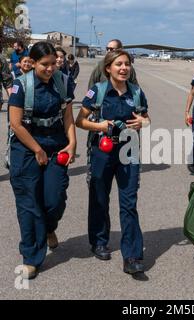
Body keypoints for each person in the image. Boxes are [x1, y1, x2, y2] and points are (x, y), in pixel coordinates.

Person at [76, 49, 150, 275]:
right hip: (102, 150)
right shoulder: (97, 92)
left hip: (129, 150)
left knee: (129, 203)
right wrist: (102, 126)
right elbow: (81, 121)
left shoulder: (136, 92)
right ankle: (99, 241)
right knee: (99, 197)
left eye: (127, 64)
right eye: (119, 64)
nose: (124, 68)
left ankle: (132, 256)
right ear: (108, 68)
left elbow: (146, 118)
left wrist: (142, 122)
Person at [8, 41, 76, 279]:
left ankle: (49, 228)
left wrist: (72, 141)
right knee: (28, 204)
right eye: (44, 65)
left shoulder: (62, 82)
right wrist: (37, 149)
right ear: (33, 63)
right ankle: (31, 257)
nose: (50, 69)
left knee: (54, 199)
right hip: (26, 148)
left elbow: (68, 116)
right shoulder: (21, 85)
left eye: (53, 64)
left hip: (55, 145)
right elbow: (15, 124)